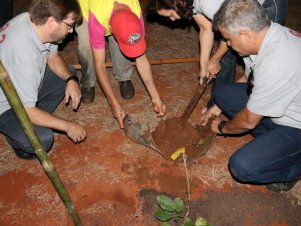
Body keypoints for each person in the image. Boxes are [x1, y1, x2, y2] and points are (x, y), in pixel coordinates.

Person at [201, 0, 301, 192]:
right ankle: (274, 142)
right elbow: (250, 78)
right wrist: (216, 107)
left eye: (228, 39)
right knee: (222, 95)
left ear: (245, 35)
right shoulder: (269, 35)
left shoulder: (276, 64)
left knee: (243, 166)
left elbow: (247, 122)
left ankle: (293, 167)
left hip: (297, 126)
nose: (227, 45)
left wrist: (222, 128)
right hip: (288, 107)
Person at [149, 0, 287, 108]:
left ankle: (253, 108)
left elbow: (234, 32)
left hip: (266, 3)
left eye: (170, 15)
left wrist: (215, 59)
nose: (172, 19)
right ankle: (219, 104)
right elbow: (205, 27)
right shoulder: (190, 3)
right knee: (225, 54)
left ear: (177, 2)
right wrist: (204, 66)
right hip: (236, 12)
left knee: (258, 61)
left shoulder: (209, 3)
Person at [0, 0, 87, 160]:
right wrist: (68, 127)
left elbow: (53, 57)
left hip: (21, 85)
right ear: (51, 21)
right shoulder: (24, 54)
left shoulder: (34, 23)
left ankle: (39, 116)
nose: (71, 31)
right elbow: (27, 110)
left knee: (69, 74)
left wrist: (71, 79)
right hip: (5, 106)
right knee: (44, 138)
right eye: (69, 25)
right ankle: (16, 137)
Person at [79, 0, 166, 128]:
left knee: (123, 42)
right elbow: (100, 65)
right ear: (111, 30)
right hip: (87, 8)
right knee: (85, 45)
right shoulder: (97, 18)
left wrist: (155, 97)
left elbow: (141, 59)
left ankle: (124, 77)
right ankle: (88, 82)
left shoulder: (136, 12)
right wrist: (113, 103)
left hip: (111, 15)